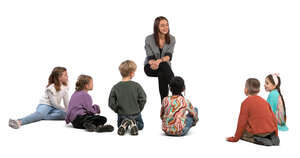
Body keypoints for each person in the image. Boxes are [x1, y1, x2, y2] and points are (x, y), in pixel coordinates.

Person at [226, 78, 280, 146]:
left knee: (242, 134)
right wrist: (276, 133)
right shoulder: (265, 102)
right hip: (271, 130)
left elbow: (241, 123)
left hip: (259, 132)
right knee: (257, 121)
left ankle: (256, 139)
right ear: (259, 90)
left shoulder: (245, 103)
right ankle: (271, 136)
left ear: (246, 90)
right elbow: (274, 118)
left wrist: (235, 138)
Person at [109, 60, 147, 136]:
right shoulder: (136, 86)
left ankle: (124, 124)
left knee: (120, 125)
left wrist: (118, 110)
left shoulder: (115, 87)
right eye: (134, 72)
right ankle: (134, 123)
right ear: (131, 73)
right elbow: (143, 99)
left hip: (122, 114)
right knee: (140, 126)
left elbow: (111, 103)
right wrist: (139, 109)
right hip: (135, 113)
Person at [144, 16, 175, 101]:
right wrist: (154, 63)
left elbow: (169, 56)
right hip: (150, 67)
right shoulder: (149, 39)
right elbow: (150, 57)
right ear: (156, 27)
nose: (165, 28)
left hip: (164, 67)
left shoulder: (172, 39)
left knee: (162, 73)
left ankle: (164, 105)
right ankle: (177, 91)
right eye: (162, 25)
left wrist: (159, 61)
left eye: (167, 25)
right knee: (164, 67)